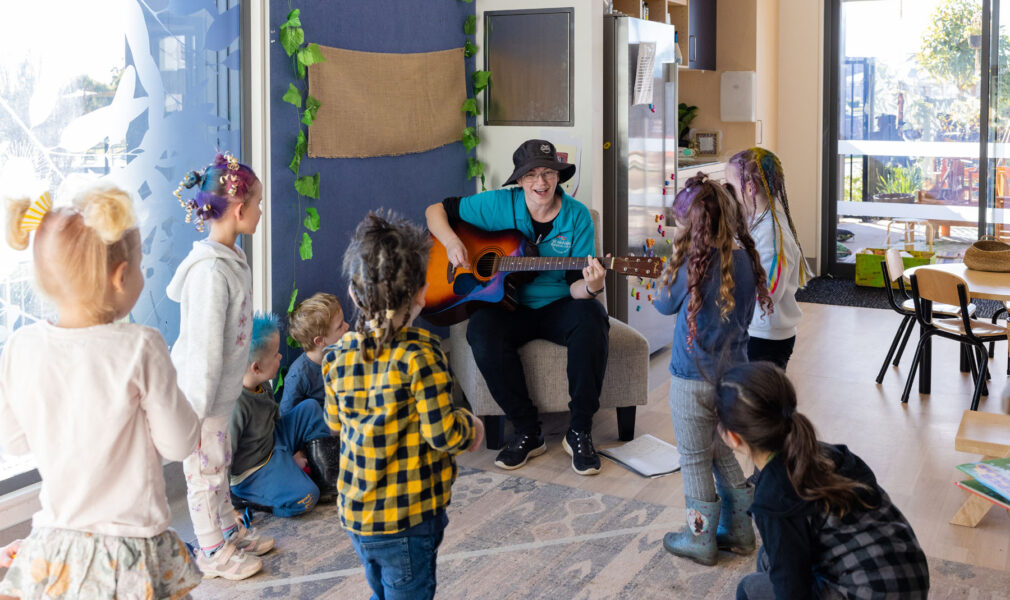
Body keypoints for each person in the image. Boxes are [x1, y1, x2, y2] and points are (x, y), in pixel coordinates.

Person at [0, 187, 202, 598]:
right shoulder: (141, 345)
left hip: (55, 547)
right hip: (130, 550)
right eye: (141, 265)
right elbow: (180, 443)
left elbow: (14, 440)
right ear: (120, 275)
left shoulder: (20, 346)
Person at [323, 210, 484, 600]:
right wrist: (472, 427)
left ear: (354, 293)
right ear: (420, 293)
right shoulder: (421, 355)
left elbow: (334, 424)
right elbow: (443, 432)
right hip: (407, 518)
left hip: (357, 514)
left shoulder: (336, 356)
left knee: (382, 587)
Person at [425, 139, 609, 475]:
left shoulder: (578, 216)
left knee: (593, 317)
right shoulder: (497, 205)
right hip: (506, 306)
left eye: (548, 173)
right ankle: (527, 432)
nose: (541, 183)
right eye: (532, 175)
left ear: (558, 176)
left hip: (558, 305)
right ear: (520, 180)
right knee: (480, 330)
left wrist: (593, 285)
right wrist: (453, 243)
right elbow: (434, 211)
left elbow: (575, 286)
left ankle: (580, 430)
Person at [716, 362, 930, 599]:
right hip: (911, 580)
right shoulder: (828, 454)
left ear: (733, 438)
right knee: (768, 558)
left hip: (868, 591)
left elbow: (791, 593)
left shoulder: (773, 499)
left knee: (750, 588)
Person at [652, 174, 772, 566]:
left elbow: (663, 306)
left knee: (693, 456)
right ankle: (739, 532)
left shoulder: (690, 263)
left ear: (693, 224)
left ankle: (700, 538)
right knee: (720, 449)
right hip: (732, 377)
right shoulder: (746, 258)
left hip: (690, 380)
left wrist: (666, 268)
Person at [167, 152, 274, 580]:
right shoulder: (211, 272)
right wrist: (195, 411)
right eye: (259, 204)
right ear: (239, 209)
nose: (261, 211)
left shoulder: (230, 258)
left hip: (219, 391)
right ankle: (211, 549)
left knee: (219, 464)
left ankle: (228, 530)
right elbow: (205, 349)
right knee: (204, 471)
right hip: (201, 394)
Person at [230, 313, 340, 516]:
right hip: (255, 469)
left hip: (273, 440)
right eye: (276, 355)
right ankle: (244, 498)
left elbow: (276, 420)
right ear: (256, 367)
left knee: (310, 407)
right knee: (306, 497)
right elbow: (225, 458)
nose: (280, 357)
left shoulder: (261, 383)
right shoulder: (236, 405)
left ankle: (326, 478)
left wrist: (291, 452)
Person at [725, 148, 808, 368]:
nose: (728, 194)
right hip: (757, 330)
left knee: (760, 400)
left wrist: (725, 286)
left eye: (730, 187)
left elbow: (770, 291)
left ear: (750, 188)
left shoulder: (772, 232)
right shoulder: (758, 221)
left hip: (766, 338)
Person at [280, 292, 350, 415]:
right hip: (319, 431)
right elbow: (287, 420)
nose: (347, 326)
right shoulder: (298, 375)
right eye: (340, 326)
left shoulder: (342, 355)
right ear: (320, 341)